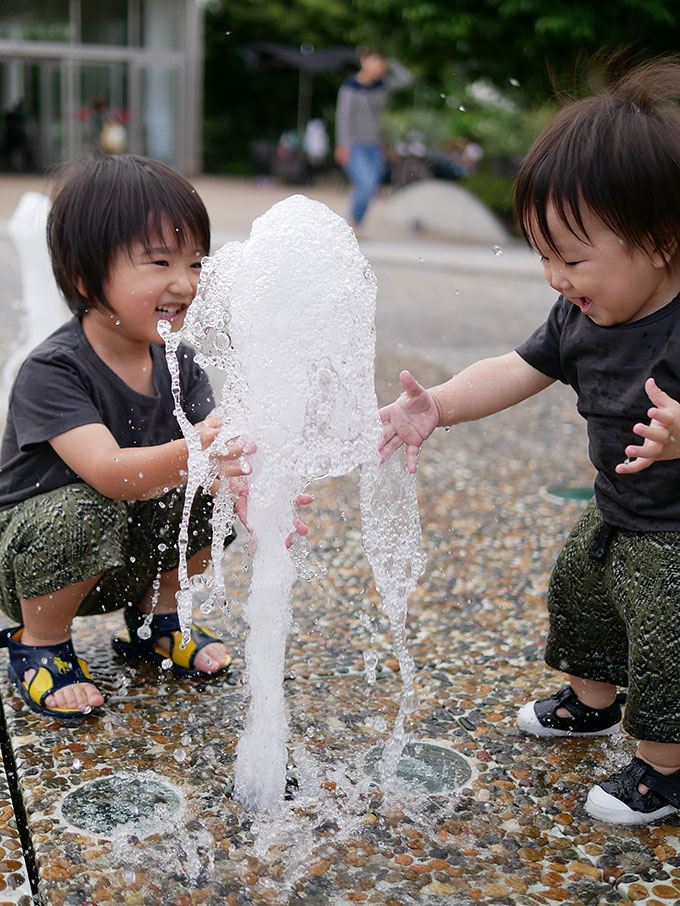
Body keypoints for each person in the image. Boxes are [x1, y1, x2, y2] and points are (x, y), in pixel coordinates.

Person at [379, 57, 680, 825]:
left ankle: (665, 766)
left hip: (676, 529)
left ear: (662, 241)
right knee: (579, 591)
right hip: (619, 504)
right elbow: (516, 368)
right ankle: (591, 704)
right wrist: (437, 406)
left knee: (666, 634)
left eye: (572, 258)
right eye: (542, 254)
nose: (554, 276)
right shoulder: (581, 315)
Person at [0, 154, 308, 721]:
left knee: (210, 492)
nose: (184, 283)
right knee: (83, 509)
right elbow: (110, 471)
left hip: (123, 553)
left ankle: (158, 619)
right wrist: (201, 453)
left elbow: (215, 459)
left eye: (195, 263)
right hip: (35, 559)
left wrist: (253, 486)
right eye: (160, 261)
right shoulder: (54, 370)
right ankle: (40, 644)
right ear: (86, 278)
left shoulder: (180, 364)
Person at [334, 48, 413, 232]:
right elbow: (343, 119)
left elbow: (407, 79)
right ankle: (352, 223)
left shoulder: (382, 86)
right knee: (366, 183)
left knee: (371, 186)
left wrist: (391, 62)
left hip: (375, 146)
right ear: (363, 61)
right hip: (354, 145)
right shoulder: (350, 87)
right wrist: (342, 145)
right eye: (374, 61)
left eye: (380, 62)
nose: (377, 66)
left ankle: (356, 224)